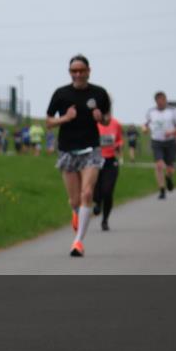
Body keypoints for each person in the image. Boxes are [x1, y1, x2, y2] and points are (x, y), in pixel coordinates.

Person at [45, 54, 111, 257]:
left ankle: (78, 242)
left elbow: (107, 120)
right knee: (74, 200)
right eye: (74, 71)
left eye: (82, 70)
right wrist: (66, 117)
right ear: (70, 72)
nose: (78, 74)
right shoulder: (61, 94)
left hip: (91, 149)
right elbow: (48, 122)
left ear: (88, 71)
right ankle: (77, 213)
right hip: (67, 150)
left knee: (87, 194)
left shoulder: (99, 93)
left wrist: (102, 119)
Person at [143, 91, 176, 200]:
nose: (161, 102)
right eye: (158, 100)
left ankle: (169, 178)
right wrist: (145, 129)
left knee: (170, 167)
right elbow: (145, 124)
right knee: (159, 165)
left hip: (170, 141)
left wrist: (172, 132)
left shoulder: (173, 111)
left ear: (165, 100)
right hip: (156, 141)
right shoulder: (151, 112)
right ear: (156, 101)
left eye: (163, 100)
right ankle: (162, 189)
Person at [93, 113, 123, 231]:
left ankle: (105, 220)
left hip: (111, 161)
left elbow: (120, 140)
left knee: (108, 190)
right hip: (95, 159)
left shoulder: (116, 123)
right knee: (95, 187)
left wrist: (118, 145)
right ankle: (97, 202)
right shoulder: (93, 123)